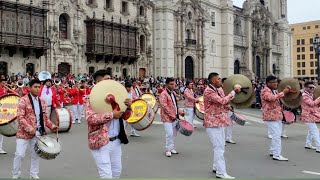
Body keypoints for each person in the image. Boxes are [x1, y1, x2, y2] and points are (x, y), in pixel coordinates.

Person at [85, 69, 131, 178]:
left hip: (117, 141)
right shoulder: (90, 98)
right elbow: (91, 118)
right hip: (101, 142)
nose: (110, 82)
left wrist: (128, 107)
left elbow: (126, 117)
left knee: (116, 172)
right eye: (106, 80)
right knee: (106, 175)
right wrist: (111, 115)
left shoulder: (117, 96)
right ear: (98, 83)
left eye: (111, 79)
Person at [12, 79, 58, 179]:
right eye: (35, 87)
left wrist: (52, 126)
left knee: (36, 155)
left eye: (39, 87)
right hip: (23, 134)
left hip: (38, 133)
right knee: (19, 155)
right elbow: (20, 117)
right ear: (29, 88)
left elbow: (45, 117)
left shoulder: (42, 101)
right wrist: (30, 129)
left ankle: (33, 174)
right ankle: (16, 175)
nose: (37, 89)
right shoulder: (23, 100)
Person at [204, 73, 239, 179]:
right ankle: (221, 172)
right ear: (213, 81)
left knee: (219, 147)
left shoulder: (218, 90)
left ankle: (216, 167)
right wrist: (234, 92)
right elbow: (222, 100)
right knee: (219, 148)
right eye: (219, 79)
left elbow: (224, 102)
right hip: (213, 122)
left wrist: (229, 107)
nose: (220, 80)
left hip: (220, 121)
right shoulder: (209, 91)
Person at [261, 75, 290, 161]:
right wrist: (283, 92)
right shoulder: (265, 90)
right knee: (277, 135)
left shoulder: (273, 90)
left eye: (276, 82)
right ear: (268, 83)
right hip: (271, 116)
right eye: (274, 82)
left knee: (276, 135)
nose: (276, 83)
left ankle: (273, 151)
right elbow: (271, 98)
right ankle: (277, 154)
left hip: (276, 115)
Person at [159, 77, 185, 157]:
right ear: (166, 84)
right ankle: (168, 149)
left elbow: (174, 105)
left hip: (174, 117)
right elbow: (164, 106)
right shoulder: (163, 94)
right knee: (169, 134)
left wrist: (180, 112)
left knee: (174, 134)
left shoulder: (173, 93)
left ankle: (171, 147)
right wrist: (172, 115)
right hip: (167, 117)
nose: (173, 86)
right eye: (171, 84)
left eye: (174, 84)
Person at [300, 81, 320, 153]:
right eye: (310, 87)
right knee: (315, 131)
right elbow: (312, 103)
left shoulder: (311, 94)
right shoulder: (304, 95)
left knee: (310, 131)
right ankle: (319, 147)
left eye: (313, 87)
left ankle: (308, 144)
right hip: (307, 116)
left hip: (311, 115)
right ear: (305, 87)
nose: (312, 88)